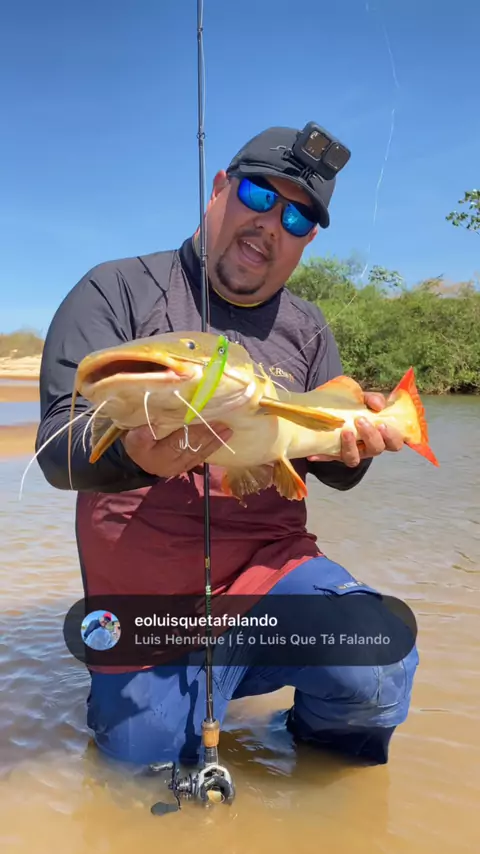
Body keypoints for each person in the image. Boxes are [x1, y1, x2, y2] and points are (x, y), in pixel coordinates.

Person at [36, 123, 418, 769]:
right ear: (219, 189)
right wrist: (137, 457)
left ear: (309, 239)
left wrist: (362, 444)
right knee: (141, 770)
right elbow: (56, 445)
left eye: (297, 217)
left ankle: (313, 767)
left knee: (376, 664)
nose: (272, 224)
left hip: (272, 573)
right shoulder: (116, 288)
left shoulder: (308, 325)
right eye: (259, 195)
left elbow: (335, 471)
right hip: (146, 602)